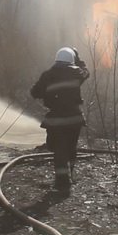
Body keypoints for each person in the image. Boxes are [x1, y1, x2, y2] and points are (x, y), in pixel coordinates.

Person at [30, 47, 89, 194]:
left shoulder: (48, 75)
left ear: (56, 59)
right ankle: (70, 175)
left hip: (56, 119)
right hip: (75, 118)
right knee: (71, 147)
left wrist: (45, 91)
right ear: (72, 60)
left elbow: (35, 92)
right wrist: (78, 58)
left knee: (58, 149)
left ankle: (62, 182)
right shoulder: (77, 73)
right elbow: (86, 71)